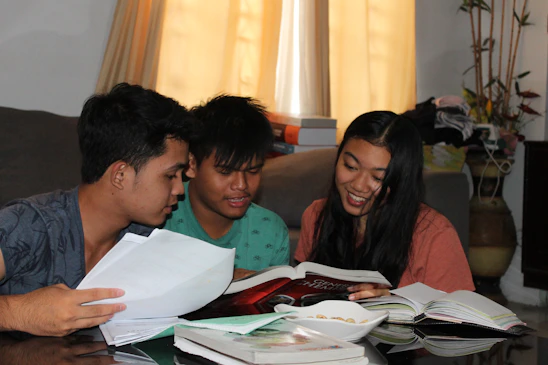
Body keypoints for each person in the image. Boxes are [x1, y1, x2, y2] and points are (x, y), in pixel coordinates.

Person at [0, 83, 196, 336]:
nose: (180, 189)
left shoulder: (146, 239)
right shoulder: (28, 225)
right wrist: (17, 312)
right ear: (121, 175)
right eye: (170, 175)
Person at [294, 111, 474, 300]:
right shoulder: (317, 216)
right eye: (350, 166)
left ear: (401, 181)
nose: (358, 185)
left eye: (378, 178)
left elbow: (458, 322)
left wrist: (396, 306)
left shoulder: (435, 236)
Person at [164, 95, 290, 279]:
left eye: (253, 171)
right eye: (225, 172)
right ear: (191, 165)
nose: (241, 185)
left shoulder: (271, 230)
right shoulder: (161, 218)